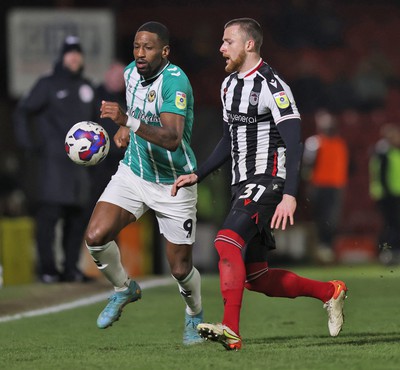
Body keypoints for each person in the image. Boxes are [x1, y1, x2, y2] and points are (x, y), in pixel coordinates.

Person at [172, 18, 347, 351]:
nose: (221, 48)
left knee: (225, 243)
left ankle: (231, 331)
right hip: (242, 184)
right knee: (257, 278)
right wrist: (200, 172)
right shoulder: (228, 86)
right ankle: (330, 292)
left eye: (228, 42)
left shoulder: (273, 87)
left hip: (268, 180)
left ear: (249, 45)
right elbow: (228, 139)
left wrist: (291, 195)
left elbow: (294, 144)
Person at [84, 21, 204, 346]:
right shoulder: (129, 74)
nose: (140, 53)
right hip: (134, 173)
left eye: (148, 47)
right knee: (95, 237)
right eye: (136, 46)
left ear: (164, 51)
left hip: (173, 183)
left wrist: (127, 121)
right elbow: (140, 111)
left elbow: (172, 138)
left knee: (180, 269)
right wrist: (126, 130)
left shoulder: (175, 82)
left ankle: (194, 314)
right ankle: (124, 289)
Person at [14, 36, 98, 283]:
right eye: (70, 53)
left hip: (79, 168)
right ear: (62, 57)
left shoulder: (86, 87)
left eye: (77, 53)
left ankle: (71, 268)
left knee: (77, 218)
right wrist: (29, 143)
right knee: (48, 218)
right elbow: (23, 111)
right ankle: (48, 270)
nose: (74, 57)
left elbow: (96, 124)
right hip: (52, 164)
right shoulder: (48, 84)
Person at [302, 110, 350, 263]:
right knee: (321, 219)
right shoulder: (314, 142)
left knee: (332, 219)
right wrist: (309, 185)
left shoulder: (340, 143)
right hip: (320, 186)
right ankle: (320, 249)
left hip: (335, 186)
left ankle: (327, 249)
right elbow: (307, 167)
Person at [369, 123, 400, 265]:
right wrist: (388, 193)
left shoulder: (391, 151)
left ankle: (390, 252)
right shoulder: (384, 153)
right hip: (388, 195)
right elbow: (382, 175)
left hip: (393, 194)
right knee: (391, 225)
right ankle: (387, 253)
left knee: (392, 224)